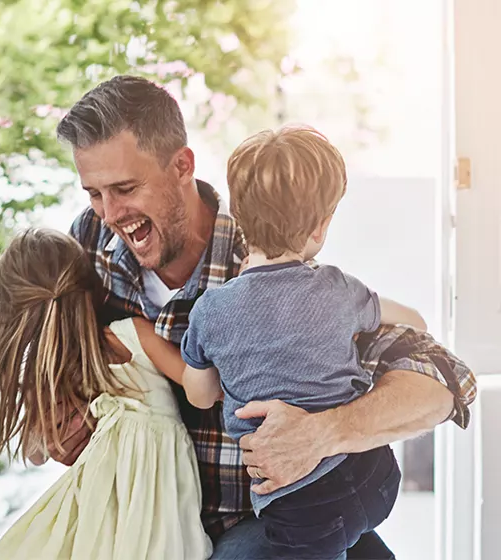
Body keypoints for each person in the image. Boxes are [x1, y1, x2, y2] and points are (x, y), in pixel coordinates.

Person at [52, 75, 476, 558]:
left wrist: (325, 431)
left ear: (182, 166)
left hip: (266, 524)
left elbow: (444, 381)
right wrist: (53, 423)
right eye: (94, 193)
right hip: (147, 528)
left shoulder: (277, 263)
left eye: (125, 188)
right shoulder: (88, 246)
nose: (109, 212)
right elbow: (44, 363)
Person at [179, 125, 425, 558]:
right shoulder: (338, 288)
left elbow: (200, 396)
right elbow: (414, 322)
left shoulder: (210, 311)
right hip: (375, 480)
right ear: (320, 228)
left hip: (301, 513)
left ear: (236, 216)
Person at [0, 228, 212, 559]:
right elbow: (199, 385)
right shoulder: (132, 337)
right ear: (96, 291)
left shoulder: (55, 379)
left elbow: (36, 453)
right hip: (155, 523)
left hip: (96, 525)